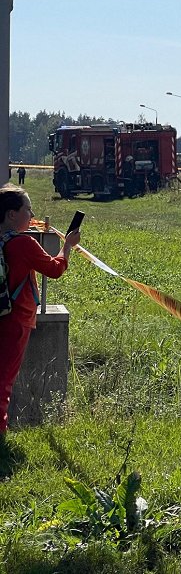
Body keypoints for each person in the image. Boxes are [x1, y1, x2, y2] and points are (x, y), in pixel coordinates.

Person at [0, 185, 80, 438]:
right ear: (12, 214)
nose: (31, 214)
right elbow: (55, 269)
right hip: (15, 318)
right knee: (4, 380)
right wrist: (68, 245)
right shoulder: (23, 244)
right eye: (27, 209)